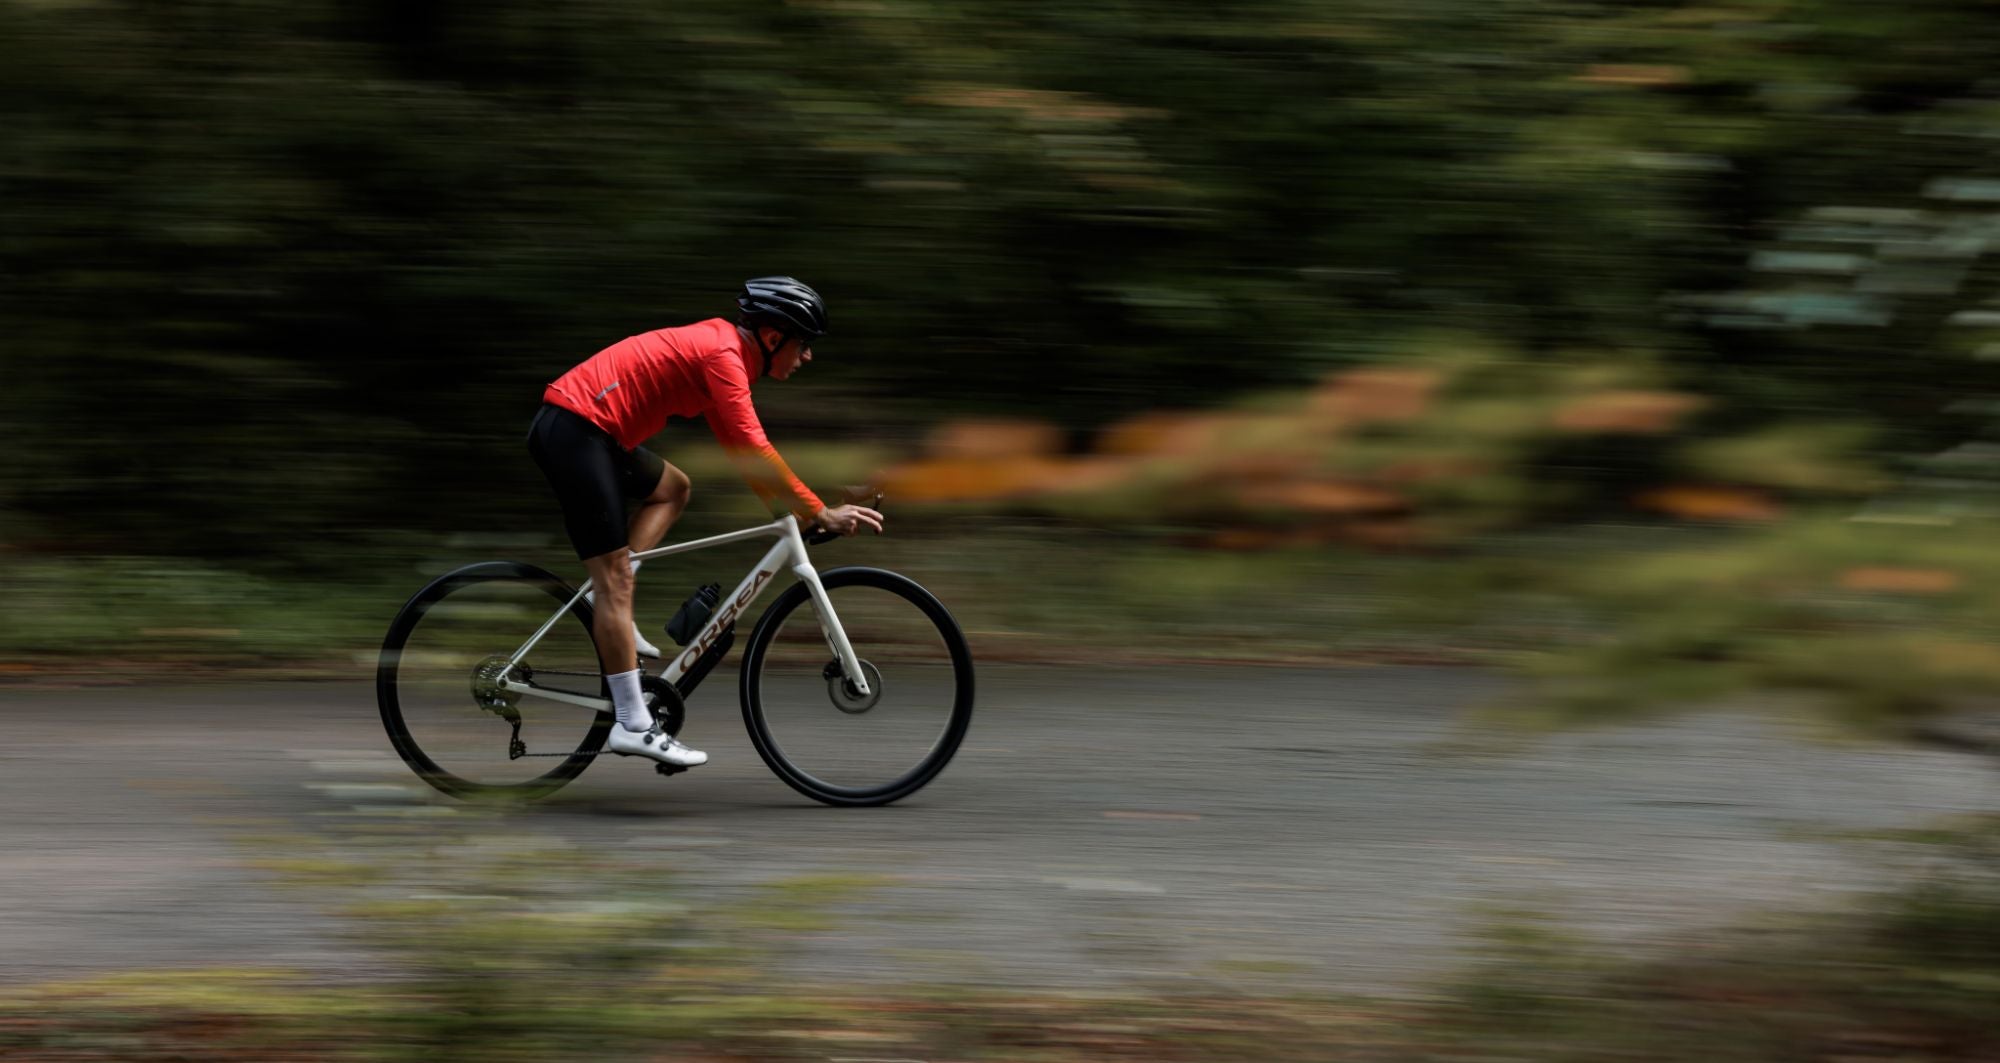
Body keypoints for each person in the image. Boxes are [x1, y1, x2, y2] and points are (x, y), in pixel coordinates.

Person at [526, 277, 884, 769]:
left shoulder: (726, 357)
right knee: (615, 582)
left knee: (673, 490)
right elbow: (756, 444)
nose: (807, 357)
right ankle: (634, 724)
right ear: (774, 338)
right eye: (803, 345)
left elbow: (743, 455)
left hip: (593, 433)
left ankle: (603, 600)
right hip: (576, 429)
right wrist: (817, 510)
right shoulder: (722, 355)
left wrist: (788, 519)